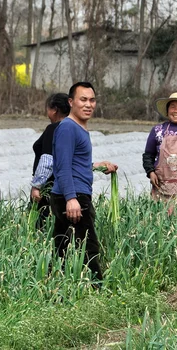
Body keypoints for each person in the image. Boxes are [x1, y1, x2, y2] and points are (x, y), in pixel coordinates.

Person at [49, 82, 118, 284]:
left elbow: (74, 161)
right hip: (73, 196)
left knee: (62, 247)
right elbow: (62, 166)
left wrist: (96, 165)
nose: (88, 104)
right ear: (71, 102)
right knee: (88, 247)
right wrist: (71, 199)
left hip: (69, 194)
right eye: (83, 99)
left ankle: (55, 288)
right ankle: (97, 290)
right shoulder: (68, 128)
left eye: (92, 100)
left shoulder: (77, 128)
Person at [30, 93, 71, 230]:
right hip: (66, 187)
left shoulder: (53, 128)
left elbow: (48, 159)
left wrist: (37, 186)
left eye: (47, 109)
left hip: (49, 188)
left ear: (54, 110)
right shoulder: (72, 127)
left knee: (42, 227)